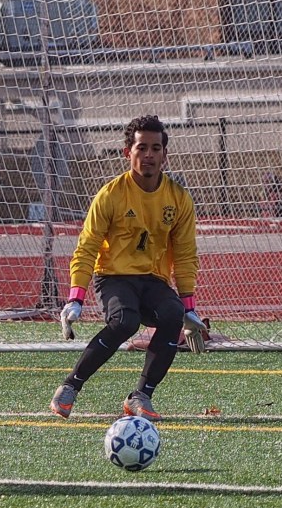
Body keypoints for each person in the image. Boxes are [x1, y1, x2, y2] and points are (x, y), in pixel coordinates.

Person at [50, 114, 209, 423]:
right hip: (114, 277)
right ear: (128, 152)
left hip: (153, 280)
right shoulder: (110, 195)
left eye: (155, 148)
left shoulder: (178, 198)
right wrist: (75, 297)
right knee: (126, 321)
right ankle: (69, 387)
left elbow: (185, 254)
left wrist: (189, 307)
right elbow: (87, 247)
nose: (148, 154)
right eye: (141, 148)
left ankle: (140, 396)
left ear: (165, 154)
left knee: (172, 315)